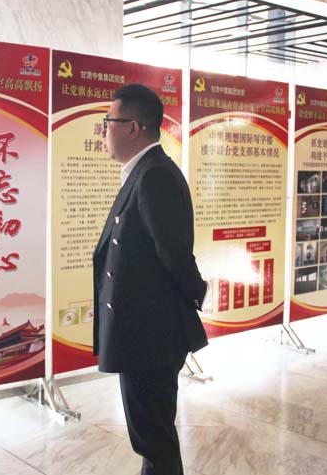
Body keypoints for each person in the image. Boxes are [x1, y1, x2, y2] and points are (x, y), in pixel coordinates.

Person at [93, 83, 208, 475]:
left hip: (150, 336)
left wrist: (196, 294)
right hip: (143, 332)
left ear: (132, 127)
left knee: (154, 438)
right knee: (151, 438)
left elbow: (175, 255)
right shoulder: (144, 171)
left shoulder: (155, 175)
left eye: (108, 122)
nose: (103, 130)